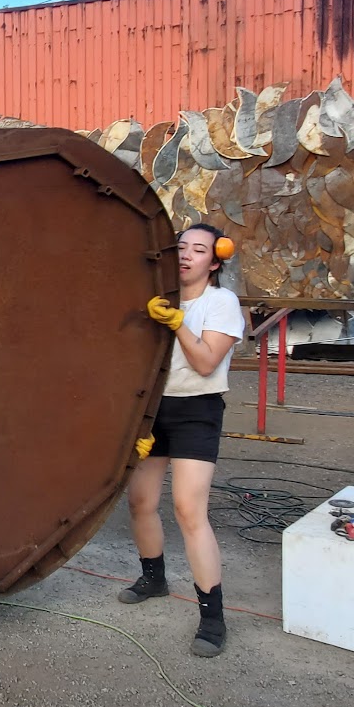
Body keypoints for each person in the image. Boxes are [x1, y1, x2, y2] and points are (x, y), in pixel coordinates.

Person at [119, 223, 245, 657]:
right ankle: (153, 578)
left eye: (199, 249)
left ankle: (212, 618)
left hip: (197, 410)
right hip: (152, 409)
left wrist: (177, 323)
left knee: (189, 510)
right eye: (181, 247)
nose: (187, 255)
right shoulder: (156, 297)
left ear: (215, 261)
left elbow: (207, 363)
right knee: (140, 502)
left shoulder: (221, 302)